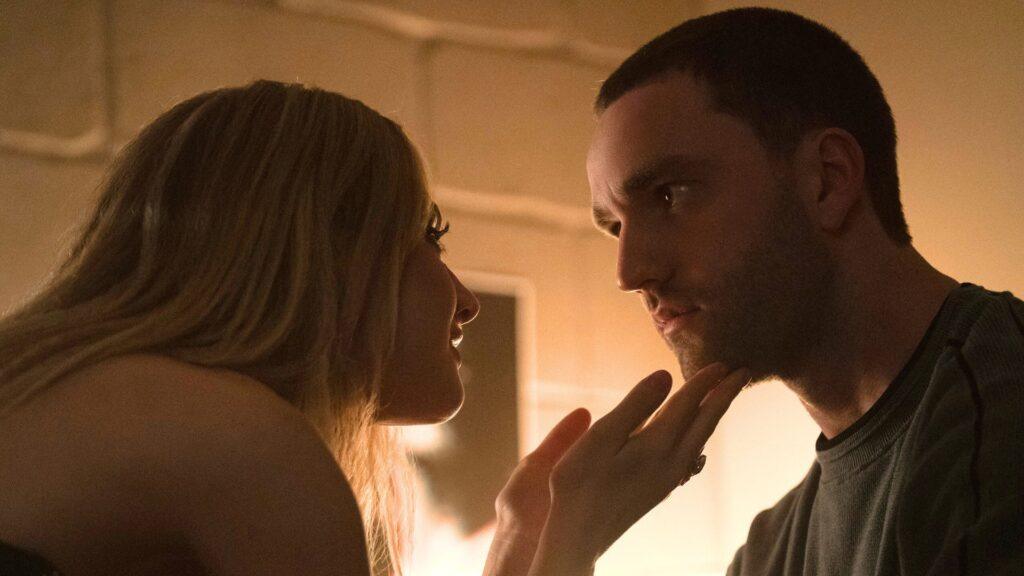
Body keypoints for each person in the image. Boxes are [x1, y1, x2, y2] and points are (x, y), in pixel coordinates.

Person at [0, 80, 748, 576]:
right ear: (320, 248)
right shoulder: (239, 440)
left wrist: (524, 543)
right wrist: (573, 542)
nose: (465, 301)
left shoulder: (84, 395)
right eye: (427, 237)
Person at [586, 7, 1023, 575]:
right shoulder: (771, 551)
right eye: (615, 226)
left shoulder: (1001, 425)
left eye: (670, 196)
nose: (629, 272)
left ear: (828, 180)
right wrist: (553, 546)